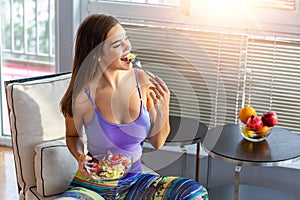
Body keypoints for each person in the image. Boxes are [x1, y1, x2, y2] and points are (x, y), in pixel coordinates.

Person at [57, 14, 208, 200]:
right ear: (96, 54)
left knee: (194, 193)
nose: (127, 47)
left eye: (126, 39)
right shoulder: (82, 95)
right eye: (117, 44)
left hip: (136, 184)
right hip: (94, 185)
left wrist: (163, 109)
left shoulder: (142, 81)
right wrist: (80, 155)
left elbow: (158, 142)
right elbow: (72, 136)